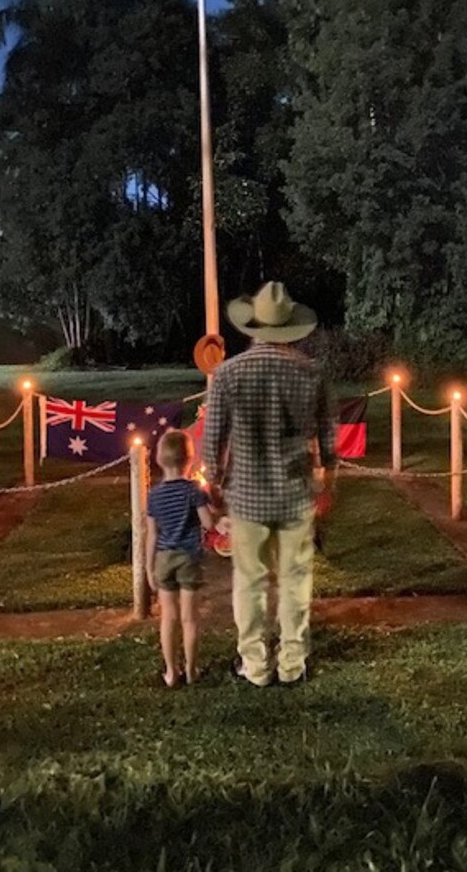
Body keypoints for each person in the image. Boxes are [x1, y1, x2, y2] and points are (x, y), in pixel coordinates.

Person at [202, 281, 336, 687]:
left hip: (247, 496)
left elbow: (213, 441)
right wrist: (327, 480)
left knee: (250, 582)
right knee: (296, 581)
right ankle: (293, 663)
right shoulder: (312, 373)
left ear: (253, 326)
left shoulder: (227, 373)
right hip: (295, 495)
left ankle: (255, 665)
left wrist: (213, 484)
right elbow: (329, 438)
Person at [146, 429, 213, 687]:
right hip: (188, 558)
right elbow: (207, 521)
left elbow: (151, 534)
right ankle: (192, 670)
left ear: (160, 459)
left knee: (168, 618)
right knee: (189, 618)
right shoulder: (193, 490)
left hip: (163, 558)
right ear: (189, 459)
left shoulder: (154, 495)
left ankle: (171, 672)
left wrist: (150, 569)